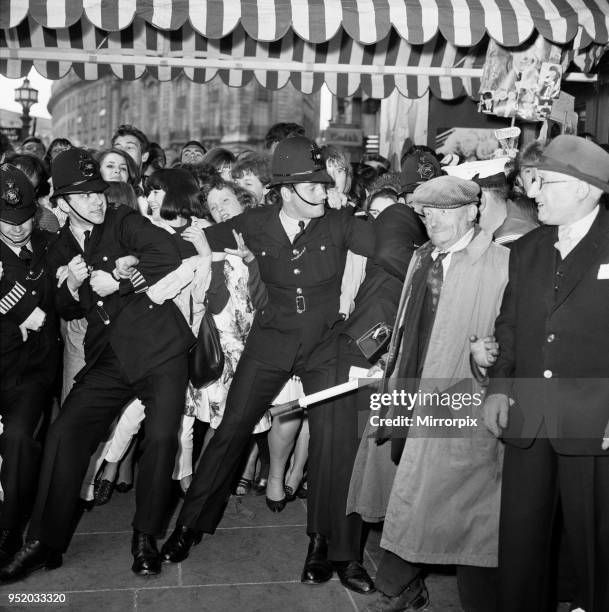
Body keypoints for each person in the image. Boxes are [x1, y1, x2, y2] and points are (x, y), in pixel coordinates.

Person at [160, 135, 377, 594]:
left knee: (336, 443)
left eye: (324, 185)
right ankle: (189, 526)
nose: (322, 192)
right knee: (231, 430)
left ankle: (329, 546)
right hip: (271, 342)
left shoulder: (341, 223)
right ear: (285, 190)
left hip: (325, 346)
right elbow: (194, 240)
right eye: (312, 186)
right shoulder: (255, 222)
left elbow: (391, 244)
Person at [0, 148, 195, 581]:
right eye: (83, 195)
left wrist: (123, 276)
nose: (95, 200)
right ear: (61, 202)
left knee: (162, 438)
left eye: (98, 191)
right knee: (65, 433)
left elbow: (169, 252)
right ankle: (42, 543)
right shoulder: (57, 244)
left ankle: (145, 537)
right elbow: (66, 309)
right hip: (107, 355)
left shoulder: (124, 219)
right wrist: (71, 285)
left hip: (158, 346)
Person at [360, 175, 509, 612]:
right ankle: (406, 585)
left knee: (454, 495)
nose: (435, 221)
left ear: (472, 212)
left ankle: (402, 586)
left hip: (459, 391)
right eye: (428, 213)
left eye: (446, 211)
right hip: (411, 384)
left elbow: (509, 335)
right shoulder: (423, 256)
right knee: (414, 484)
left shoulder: (500, 262)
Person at [484, 135, 609, 612]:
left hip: (593, 421)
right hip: (529, 415)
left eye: (544, 182)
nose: (533, 192)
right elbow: (509, 323)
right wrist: (498, 387)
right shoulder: (528, 248)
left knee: (596, 545)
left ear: (585, 188)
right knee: (521, 540)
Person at [0, 165, 61, 562]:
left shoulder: (51, 242)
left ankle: (8, 529)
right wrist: (20, 312)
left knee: (20, 439)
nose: (18, 228)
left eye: (24, 219)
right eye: (7, 220)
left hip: (34, 369)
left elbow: (56, 306)